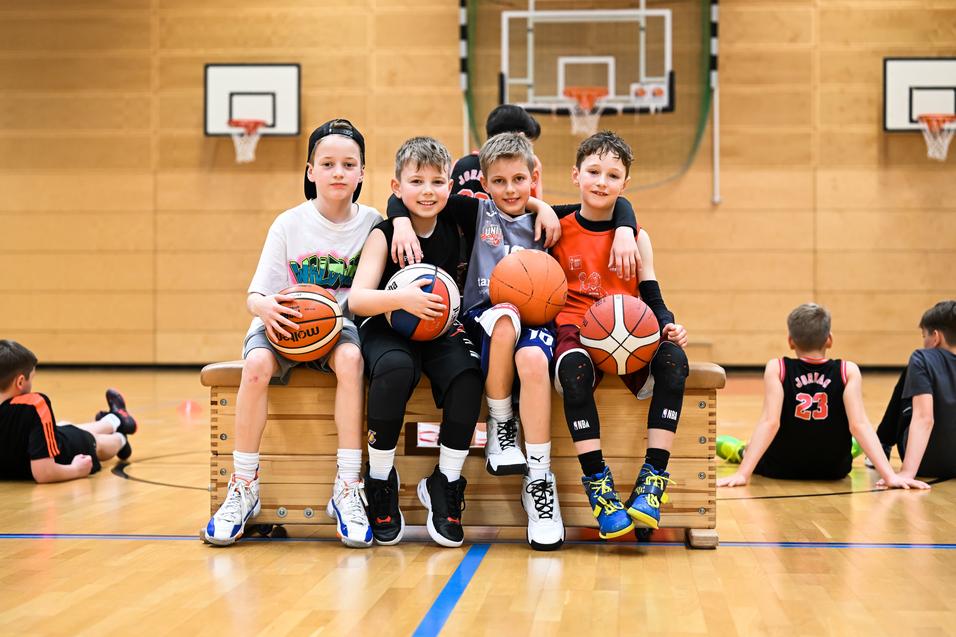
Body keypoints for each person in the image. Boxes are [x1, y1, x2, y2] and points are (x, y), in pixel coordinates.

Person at [388, 132, 639, 550]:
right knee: (503, 317)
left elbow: (612, 205)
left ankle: (540, 479)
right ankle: (503, 425)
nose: (510, 190)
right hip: (482, 317)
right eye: (499, 181)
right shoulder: (474, 211)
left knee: (536, 362)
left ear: (534, 178)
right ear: (483, 183)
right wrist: (397, 219)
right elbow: (413, 197)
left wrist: (625, 228)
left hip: (536, 319)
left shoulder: (552, 220)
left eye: (519, 180)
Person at [202, 119, 381, 548]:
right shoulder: (288, 223)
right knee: (257, 365)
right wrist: (265, 308)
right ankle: (244, 484)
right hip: (282, 325)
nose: (338, 172)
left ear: (361, 174)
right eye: (328, 163)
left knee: (353, 360)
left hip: (334, 331)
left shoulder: (375, 222)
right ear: (310, 171)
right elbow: (255, 296)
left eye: (348, 164)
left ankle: (347, 485)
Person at [550, 131, 688, 538]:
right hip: (576, 330)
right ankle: (599, 487)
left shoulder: (638, 235)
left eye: (613, 176)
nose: (601, 182)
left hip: (630, 337)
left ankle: (652, 479)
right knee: (573, 370)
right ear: (576, 175)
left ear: (625, 184)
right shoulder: (556, 228)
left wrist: (668, 324)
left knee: (675, 361)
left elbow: (653, 295)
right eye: (593, 171)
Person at [348, 137, 484, 548]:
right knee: (395, 368)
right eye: (417, 181)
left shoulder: (459, 223)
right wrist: (401, 299)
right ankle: (380, 480)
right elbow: (357, 300)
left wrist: (542, 207)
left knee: (468, 376)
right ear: (396, 186)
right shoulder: (383, 232)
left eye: (437, 181)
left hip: (441, 329)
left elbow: (512, 204)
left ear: (450, 187)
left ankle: (446, 482)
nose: (427, 191)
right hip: (387, 326)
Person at [716, 303, 930, 490]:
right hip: (834, 470)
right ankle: (856, 448)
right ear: (829, 339)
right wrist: (890, 476)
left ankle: (742, 451)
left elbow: (770, 422)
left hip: (780, 468)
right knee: (857, 438)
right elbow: (860, 425)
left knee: (755, 443)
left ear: (791, 341)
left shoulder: (778, 368)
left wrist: (743, 474)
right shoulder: (848, 370)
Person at [0, 339, 137, 483]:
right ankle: (121, 436)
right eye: (31, 379)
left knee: (64, 428)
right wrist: (76, 469)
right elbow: (45, 473)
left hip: (52, 441)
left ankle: (115, 419)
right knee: (96, 442)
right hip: (66, 453)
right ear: (20, 382)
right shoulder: (34, 405)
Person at [874, 300, 956, 478]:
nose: (924, 341)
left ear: (936, 337)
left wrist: (907, 473)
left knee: (911, 373)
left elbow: (924, 418)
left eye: (923, 336)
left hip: (926, 463)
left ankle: (882, 442)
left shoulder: (922, 358)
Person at [451, 104, 544, 200]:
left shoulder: (459, 164)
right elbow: (536, 212)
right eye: (529, 144)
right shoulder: (523, 169)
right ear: (519, 138)